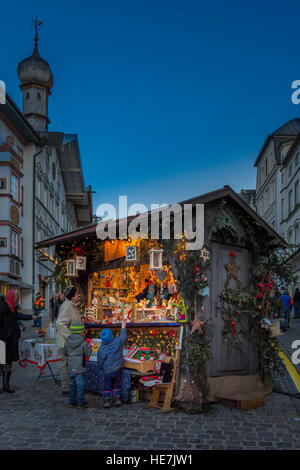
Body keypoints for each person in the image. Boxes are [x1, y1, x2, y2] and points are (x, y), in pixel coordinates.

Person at [0, 290, 36, 393]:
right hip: (2, 340)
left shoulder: (12, 308)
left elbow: (19, 316)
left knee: (8, 362)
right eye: (17, 298)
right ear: (11, 297)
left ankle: (6, 385)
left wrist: (30, 317)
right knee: (1, 361)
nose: (18, 300)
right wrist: (3, 337)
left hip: (12, 340)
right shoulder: (2, 308)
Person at [56, 286, 82, 396]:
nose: (78, 296)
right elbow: (60, 323)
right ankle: (65, 388)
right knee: (66, 364)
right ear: (71, 297)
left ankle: (71, 385)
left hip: (73, 342)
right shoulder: (67, 307)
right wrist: (70, 337)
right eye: (76, 294)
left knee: (71, 365)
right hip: (66, 343)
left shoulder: (73, 306)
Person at [97, 320, 127, 408]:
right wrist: (123, 328)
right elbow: (123, 337)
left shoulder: (101, 349)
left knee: (107, 385)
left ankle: (107, 400)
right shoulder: (117, 342)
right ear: (111, 336)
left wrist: (100, 368)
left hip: (107, 370)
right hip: (117, 368)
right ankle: (117, 399)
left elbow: (100, 360)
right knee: (116, 384)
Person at [63, 322, 91, 409]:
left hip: (70, 367)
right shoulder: (83, 342)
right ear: (82, 331)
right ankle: (80, 403)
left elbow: (65, 352)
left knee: (71, 385)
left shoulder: (67, 341)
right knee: (80, 385)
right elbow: (88, 353)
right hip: (80, 367)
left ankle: (71, 402)